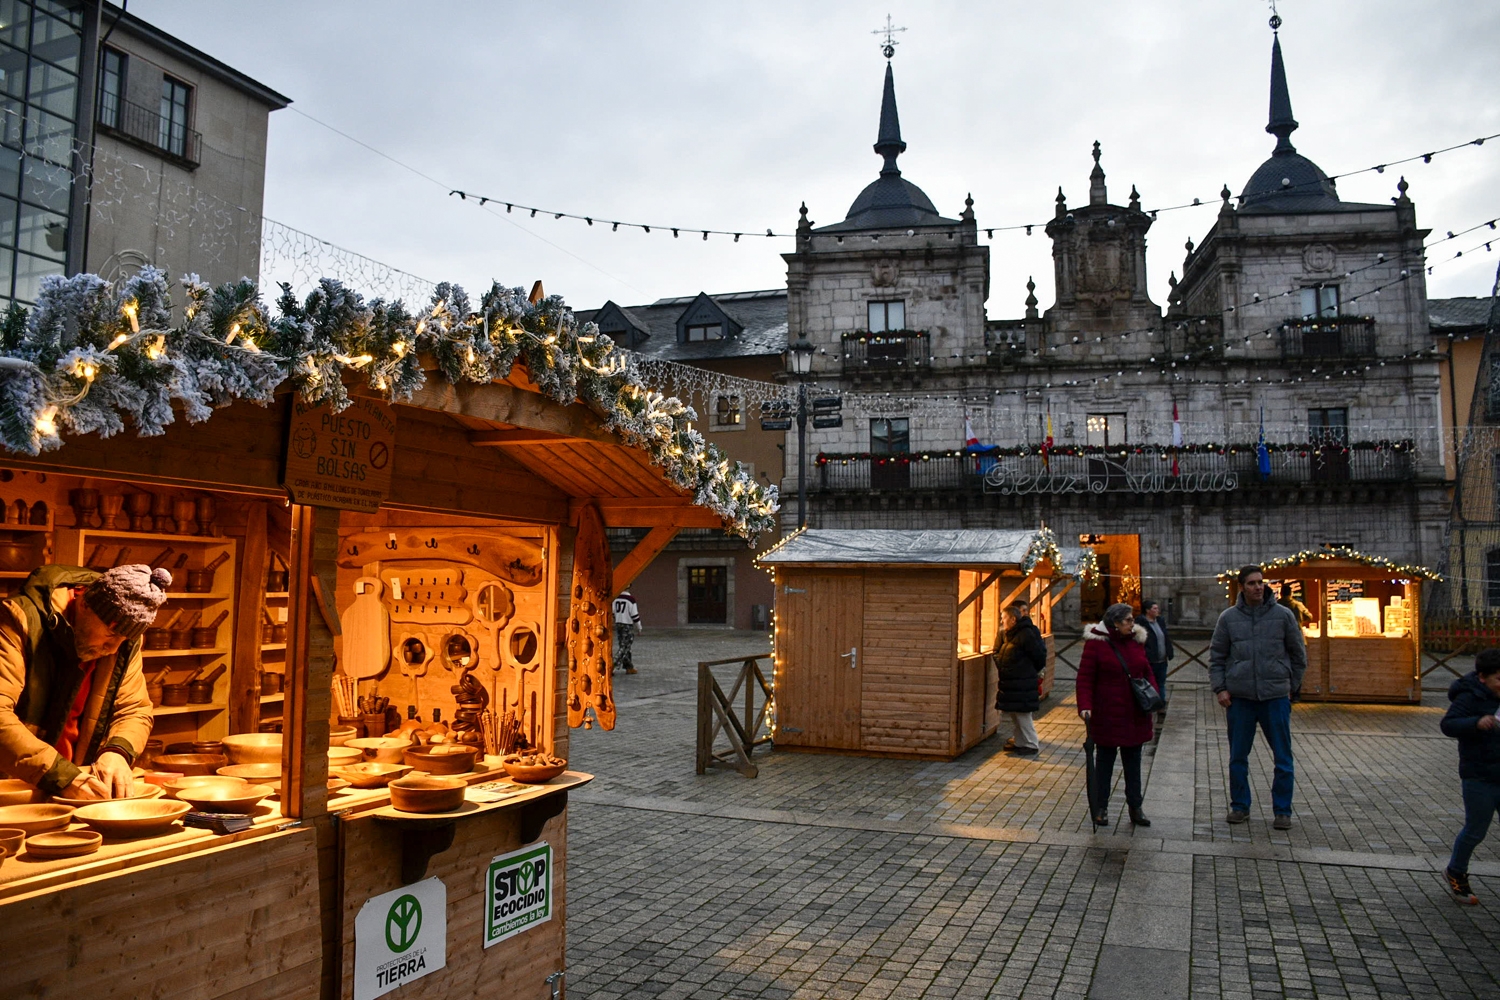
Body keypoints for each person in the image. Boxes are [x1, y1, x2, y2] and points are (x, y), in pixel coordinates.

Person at [0, 564, 170, 799]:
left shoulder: (124, 642)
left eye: (124, 639)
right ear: (84, 605)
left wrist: (117, 752)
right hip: (13, 783)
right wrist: (61, 775)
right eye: (111, 634)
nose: (113, 648)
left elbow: (134, 709)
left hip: (74, 782)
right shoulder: (19, 620)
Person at [1210, 564, 1307, 829]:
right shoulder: (1228, 618)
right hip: (1240, 699)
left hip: (1275, 697)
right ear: (1242, 587)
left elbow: (1298, 655)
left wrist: (1290, 685)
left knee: (1283, 757)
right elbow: (1217, 657)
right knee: (1238, 757)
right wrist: (1220, 688)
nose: (1258, 587)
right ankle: (1240, 806)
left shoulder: (1283, 616)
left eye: (1261, 582)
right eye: (1252, 583)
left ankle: (1282, 810)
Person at [1076, 602, 1157, 827]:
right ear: (1115, 623)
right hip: (1107, 714)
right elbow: (1085, 678)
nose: (1133, 624)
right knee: (1104, 763)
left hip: (1134, 713)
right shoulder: (1096, 644)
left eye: (1133, 619)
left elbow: (1147, 671)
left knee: (1133, 764)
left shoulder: (1136, 641)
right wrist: (1085, 706)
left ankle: (1135, 807)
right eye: (1128, 620)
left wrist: (1153, 694)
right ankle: (1101, 807)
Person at [1439, 648, 1500, 904]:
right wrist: (1476, 723)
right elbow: (1448, 724)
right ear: (1483, 677)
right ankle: (1456, 872)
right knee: (1476, 830)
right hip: (1479, 776)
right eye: (1499, 679)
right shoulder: (1469, 696)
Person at [994, 599, 1047, 757]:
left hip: (1022, 680)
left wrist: (1026, 670)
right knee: (1016, 713)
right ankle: (1020, 742)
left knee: (1023, 714)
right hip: (1013, 680)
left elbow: (1039, 656)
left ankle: (1031, 744)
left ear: (1012, 619)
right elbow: (998, 652)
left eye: (1004, 618)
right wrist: (1004, 665)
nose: (1002, 621)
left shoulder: (1026, 633)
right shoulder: (1009, 633)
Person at [1140, 599, 1173, 722]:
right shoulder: (1141, 623)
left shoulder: (1160, 621)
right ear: (1147, 611)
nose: (1157, 610)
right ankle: (1149, 704)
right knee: (1148, 683)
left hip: (1162, 659)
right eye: (1154, 608)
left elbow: (1165, 637)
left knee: (1161, 683)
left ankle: (1160, 705)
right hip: (1150, 659)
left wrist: (1169, 651)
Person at [612, 589, 642, 675]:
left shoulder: (616, 598)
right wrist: (639, 627)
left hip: (618, 623)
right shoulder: (630, 599)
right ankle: (613, 665)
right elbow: (634, 615)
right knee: (624, 647)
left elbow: (613, 612)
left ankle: (629, 667)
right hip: (627, 625)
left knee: (624, 645)